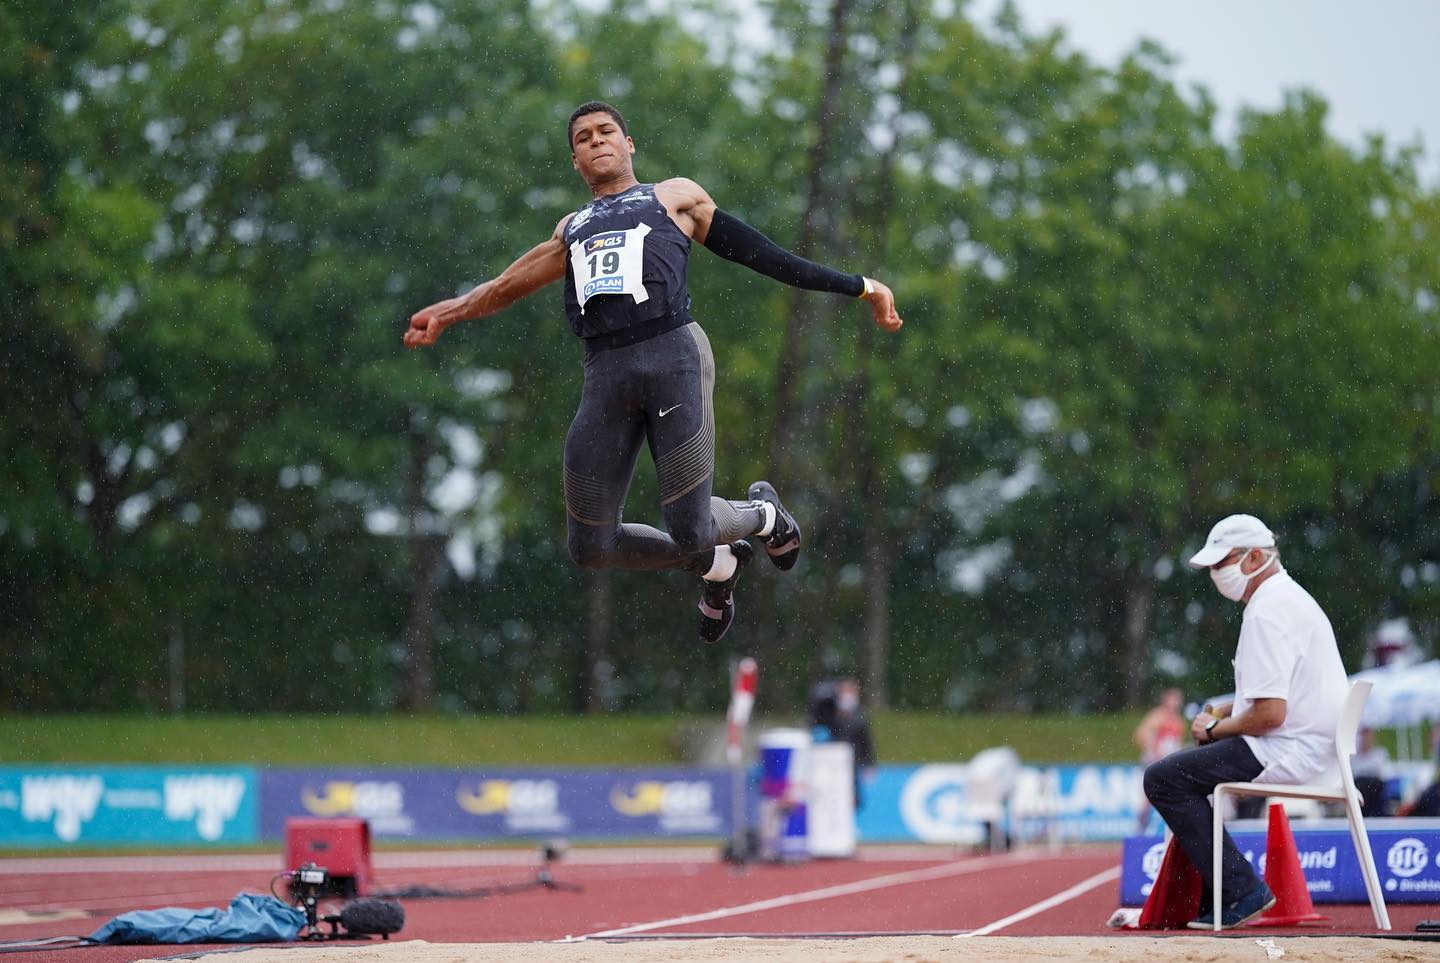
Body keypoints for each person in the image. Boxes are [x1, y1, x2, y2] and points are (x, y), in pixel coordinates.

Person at [405, 102, 903, 643]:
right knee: (591, 547)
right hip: (605, 375)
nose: (596, 141)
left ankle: (763, 514)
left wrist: (862, 286)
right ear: (575, 161)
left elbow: (765, 255)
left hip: (673, 358)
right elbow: (503, 287)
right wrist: (446, 314)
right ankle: (719, 566)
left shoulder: (674, 197)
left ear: (628, 143)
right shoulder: (572, 228)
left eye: (606, 132)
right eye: (583, 138)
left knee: (691, 526)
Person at [1142, 514, 1349, 929]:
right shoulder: (1288, 598)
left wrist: (1213, 728)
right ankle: (1219, 894)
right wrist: (1225, 712)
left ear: (1255, 557)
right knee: (1183, 774)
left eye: (1221, 563)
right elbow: (1274, 700)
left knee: (1163, 779)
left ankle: (1239, 889)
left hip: (1290, 749)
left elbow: (1271, 714)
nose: (1216, 575)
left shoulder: (1266, 612)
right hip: (1312, 746)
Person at [1132, 688, 1185, 833]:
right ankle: (1139, 830)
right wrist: (1155, 751)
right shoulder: (1156, 716)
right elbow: (1140, 735)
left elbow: (1176, 743)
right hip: (1152, 762)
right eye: (1173, 699)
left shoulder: (1179, 721)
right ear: (1165, 700)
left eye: (1177, 699)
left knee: (1171, 795)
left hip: (1167, 764)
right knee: (1147, 799)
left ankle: (1172, 831)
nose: (1175, 703)